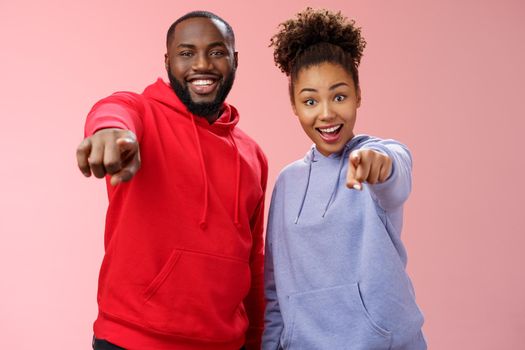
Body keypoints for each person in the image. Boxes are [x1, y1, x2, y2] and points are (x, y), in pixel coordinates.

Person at [76, 11, 267, 350]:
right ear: (168, 61)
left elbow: (253, 261)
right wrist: (110, 132)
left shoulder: (253, 155)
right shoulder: (143, 115)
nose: (202, 64)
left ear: (234, 60)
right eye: (186, 53)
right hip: (132, 341)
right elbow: (114, 108)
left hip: (226, 343)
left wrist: (255, 341)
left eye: (217, 52)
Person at [262, 8, 426, 350]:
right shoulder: (287, 183)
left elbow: (395, 174)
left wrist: (377, 166)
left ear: (358, 95)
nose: (326, 113)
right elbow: (275, 293)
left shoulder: (377, 153)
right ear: (294, 104)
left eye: (339, 96)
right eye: (310, 100)